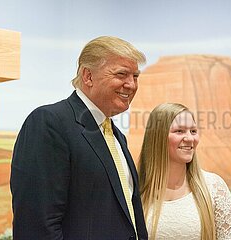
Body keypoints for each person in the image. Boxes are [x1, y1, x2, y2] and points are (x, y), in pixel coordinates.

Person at [10, 36, 148, 239]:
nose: (131, 85)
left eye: (135, 76)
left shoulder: (116, 136)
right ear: (88, 76)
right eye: (122, 74)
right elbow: (37, 226)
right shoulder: (50, 123)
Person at [137, 103, 231, 240]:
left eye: (193, 131)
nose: (190, 139)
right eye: (179, 131)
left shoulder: (214, 188)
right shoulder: (135, 191)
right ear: (157, 136)